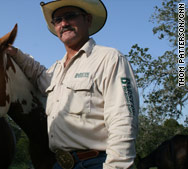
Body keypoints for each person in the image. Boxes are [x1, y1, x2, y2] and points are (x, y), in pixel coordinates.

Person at [7, 0, 139, 168]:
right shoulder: (56, 69)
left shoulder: (109, 59)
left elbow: (123, 118)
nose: (64, 23)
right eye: (57, 20)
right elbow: (37, 73)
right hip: (58, 164)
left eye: (70, 16)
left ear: (88, 20)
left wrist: (116, 166)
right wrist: (15, 53)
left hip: (96, 163)